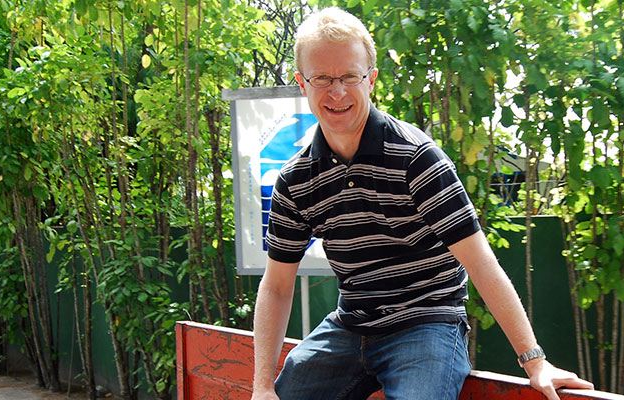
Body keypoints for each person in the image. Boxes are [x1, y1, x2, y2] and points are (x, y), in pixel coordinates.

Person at [251, 7, 594, 400]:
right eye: (322, 78)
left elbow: (480, 262)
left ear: (371, 79)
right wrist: (262, 386)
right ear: (302, 83)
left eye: (349, 76)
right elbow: (277, 287)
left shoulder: (415, 157)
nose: (338, 91)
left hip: (427, 323)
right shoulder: (296, 179)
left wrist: (534, 360)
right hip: (351, 325)